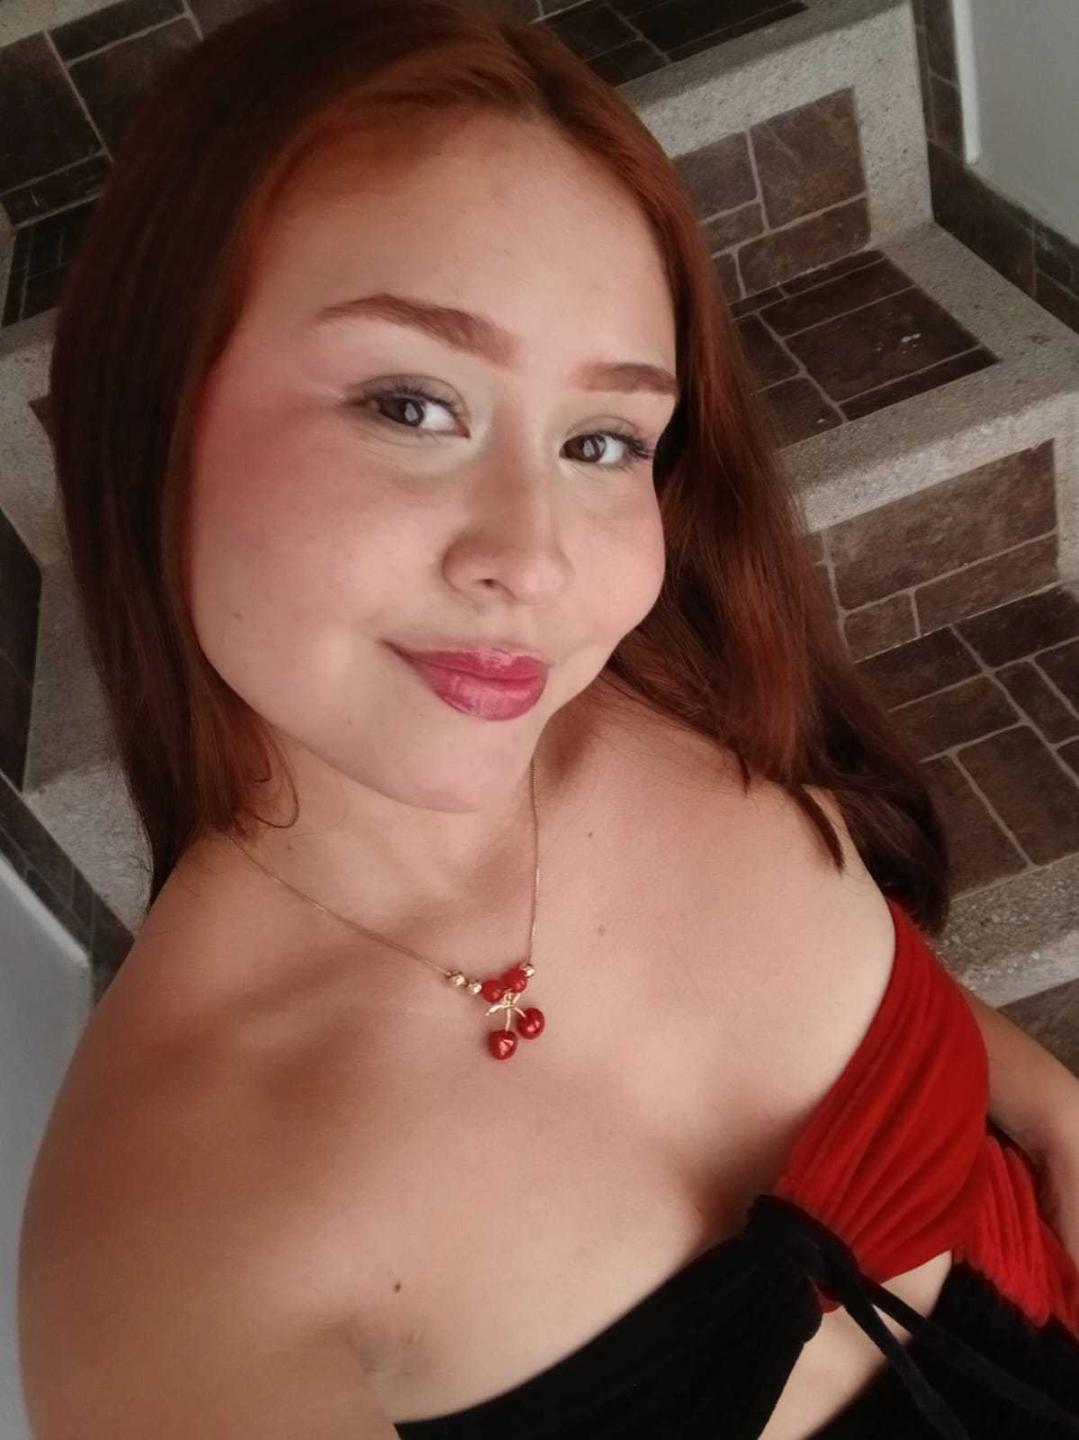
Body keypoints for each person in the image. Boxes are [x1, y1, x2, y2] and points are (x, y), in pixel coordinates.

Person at [16, 1, 1079, 1436]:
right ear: (148, 411)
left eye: (601, 440)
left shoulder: (670, 682)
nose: (534, 560)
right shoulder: (170, 1261)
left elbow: (858, 986)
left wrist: (1045, 1097)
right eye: (411, 405)